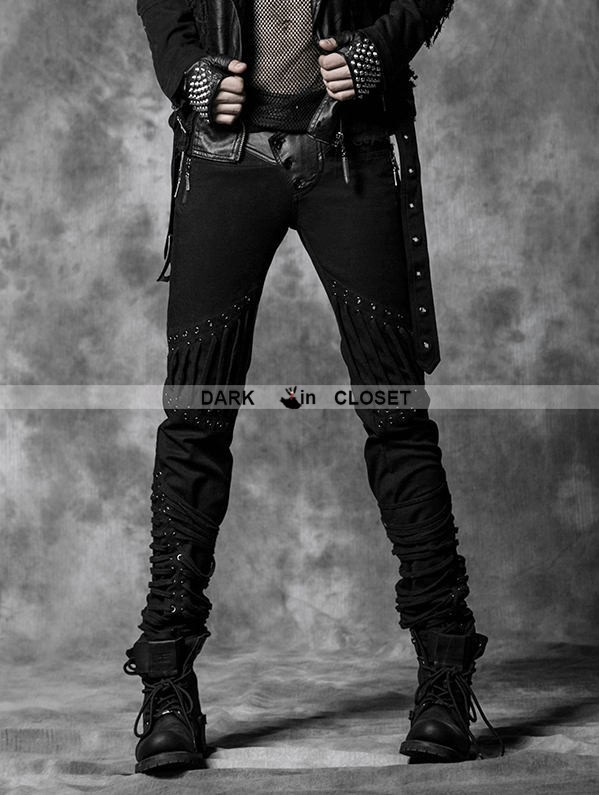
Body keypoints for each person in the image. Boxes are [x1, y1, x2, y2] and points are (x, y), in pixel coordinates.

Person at [123, 0, 501, 775]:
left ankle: (444, 676)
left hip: (352, 146)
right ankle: (166, 688)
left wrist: (381, 46)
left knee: (396, 414)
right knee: (194, 418)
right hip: (224, 152)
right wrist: (188, 72)